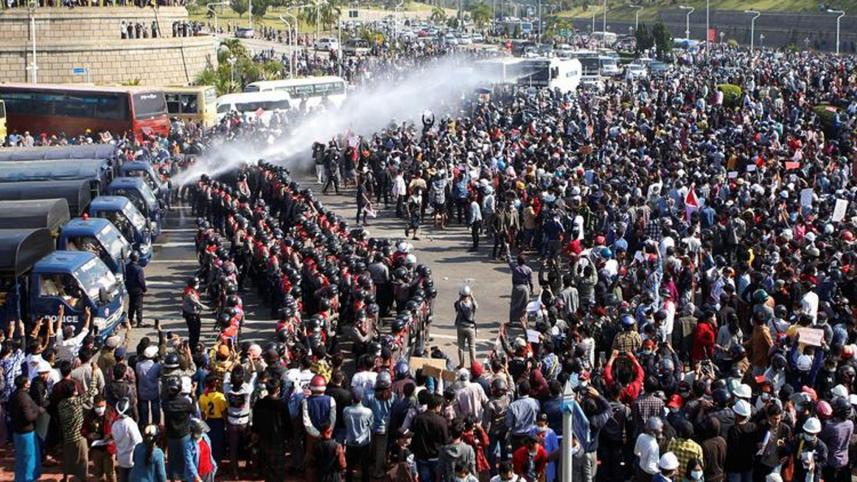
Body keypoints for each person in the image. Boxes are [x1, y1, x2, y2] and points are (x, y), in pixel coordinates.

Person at [251, 377, 291, 482]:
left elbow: (255, 422)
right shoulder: (282, 405)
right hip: (278, 439)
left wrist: (255, 434)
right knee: (278, 468)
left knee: (267, 466)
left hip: (264, 439)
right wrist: (288, 438)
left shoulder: (259, 404)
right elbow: (287, 424)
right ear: (278, 389)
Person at [10, 374, 44, 482]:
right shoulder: (24, 397)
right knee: (29, 459)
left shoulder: (14, 394)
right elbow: (29, 416)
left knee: (21, 459)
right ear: (25, 384)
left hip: (17, 432)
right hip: (26, 433)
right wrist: (39, 411)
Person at [83, 394, 117, 482]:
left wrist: (111, 435)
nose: (100, 409)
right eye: (97, 406)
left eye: (102, 406)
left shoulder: (112, 413)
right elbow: (83, 429)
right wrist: (89, 435)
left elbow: (118, 428)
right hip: (96, 449)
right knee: (98, 473)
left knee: (110, 473)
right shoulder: (89, 415)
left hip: (109, 448)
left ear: (105, 404)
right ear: (94, 405)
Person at [343, 387, 373, 482]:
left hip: (350, 442)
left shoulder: (346, 410)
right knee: (365, 466)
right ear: (362, 397)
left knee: (349, 467)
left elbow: (345, 422)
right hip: (364, 443)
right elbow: (371, 426)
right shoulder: (368, 412)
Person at [113, 397, 143, 482]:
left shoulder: (115, 425)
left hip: (121, 459)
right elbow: (138, 441)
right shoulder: (130, 423)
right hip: (131, 460)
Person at [183, 418, 217, 482]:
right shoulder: (188, 445)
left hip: (208, 472)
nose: (202, 432)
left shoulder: (206, 438)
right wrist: (197, 477)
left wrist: (214, 466)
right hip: (196, 475)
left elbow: (210, 454)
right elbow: (189, 463)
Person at [453, 285, 479, 368]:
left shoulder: (458, 304)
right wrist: (472, 296)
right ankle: (473, 364)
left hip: (461, 327)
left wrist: (461, 297)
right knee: (472, 347)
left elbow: (456, 306)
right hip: (470, 327)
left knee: (461, 347)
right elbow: (476, 306)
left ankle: (461, 364)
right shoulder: (472, 304)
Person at [181, 278, 208, 349]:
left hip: (191, 314)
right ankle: (193, 348)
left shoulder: (189, 290)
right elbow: (198, 304)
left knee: (194, 332)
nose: (198, 285)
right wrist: (210, 308)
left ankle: (193, 346)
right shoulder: (190, 295)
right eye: (197, 284)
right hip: (191, 315)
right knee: (194, 333)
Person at [125, 251, 147, 328]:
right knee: (139, 306)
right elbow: (141, 280)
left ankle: (130, 320)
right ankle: (139, 321)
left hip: (130, 289)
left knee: (131, 305)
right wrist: (144, 289)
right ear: (137, 258)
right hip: (138, 290)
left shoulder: (127, 266)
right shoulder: (139, 269)